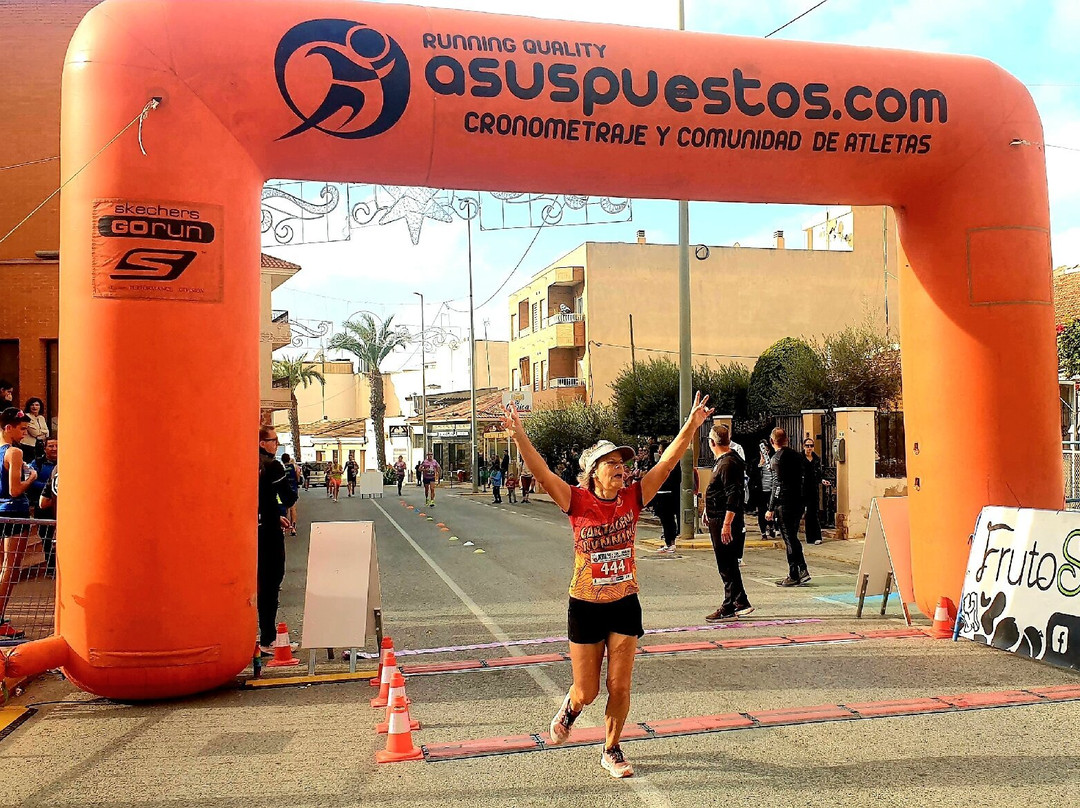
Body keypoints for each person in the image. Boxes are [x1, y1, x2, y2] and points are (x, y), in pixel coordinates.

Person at [501, 392, 713, 779]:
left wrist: (692, 426)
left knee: (620, 685)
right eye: (611, 463)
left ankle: (611, 748)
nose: (621, 469)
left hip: (624, 602)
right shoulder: (576, 500)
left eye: (623, 464)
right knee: (588, 691)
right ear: (593, 472)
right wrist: (519, 437)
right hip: (585, 605)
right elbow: (543, 472)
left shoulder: (633, 498)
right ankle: (572, 706)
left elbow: (666, 464)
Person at [703, 424, 753, 621]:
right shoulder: (725, 461)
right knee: (728, 562)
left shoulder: (728, 464)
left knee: (726, 563)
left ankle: (730, 604)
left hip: (724, 520)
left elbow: (733, 495)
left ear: (712, 442)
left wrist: (726, 524)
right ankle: (740, 601)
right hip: (718, 517)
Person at [258, 425, 298, 654]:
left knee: (259, 583)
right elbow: (289, 497)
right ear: (263, 443)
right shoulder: (273, 466)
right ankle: (268, 638)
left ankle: (262, 634)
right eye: (273, 440)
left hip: (253, 528)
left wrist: (275, 515)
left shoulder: (248, 465)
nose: (276, 443)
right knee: (272, 581)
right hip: (268, 533)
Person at [0, 408, 37, 639]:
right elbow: (14, 490)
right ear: (8, 427)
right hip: (15, 511)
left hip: (2, 512)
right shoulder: (14, 452)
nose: (25, 434)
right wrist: (31, 478)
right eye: (21, 429)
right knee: (10, 570)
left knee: (4, 568)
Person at [766, 427, 810, 587]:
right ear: (787, 440)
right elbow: (803, 479)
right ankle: (802, 569)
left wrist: (770, 507)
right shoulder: (797, 456)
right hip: (798, 501)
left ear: (772, 442)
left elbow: (776, 484)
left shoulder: (777, 459)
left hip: (785, 502)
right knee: (793, 536)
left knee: (789, 538)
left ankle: (794, 573)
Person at [30, 437, 58, 571]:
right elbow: (30, 480)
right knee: (46, 537)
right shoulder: (37, 463)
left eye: (56, 446)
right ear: (45, 448)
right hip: (43, 506)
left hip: (61, 507)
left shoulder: (68, 461)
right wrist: (51, 488)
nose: (54, 449)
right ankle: (51, 566)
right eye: (51, 446)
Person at [651, 440, 680, 555]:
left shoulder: (671, 463)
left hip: (668, 495)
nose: (658, 452)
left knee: (668, 520)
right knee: (664, 520)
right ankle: (668, 542)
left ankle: (671, 543)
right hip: (661, 495)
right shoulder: (662, 462)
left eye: (660, 449)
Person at [801, 438, 830, 545]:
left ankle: (816, 536)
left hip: (813, 488)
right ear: (803, 446)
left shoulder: (816, 459)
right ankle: (805, 537)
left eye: (811, 446)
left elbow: (818, 474)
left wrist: (822, 480)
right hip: (802, 488)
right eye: (807, 446)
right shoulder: (800, 458)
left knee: (813, 512)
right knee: (800, 513)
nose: (809, 448)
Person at [757, 439, 778, 539]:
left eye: (767, 450)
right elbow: (752, 475)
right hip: (761, 490)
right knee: (762, 511)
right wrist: (760, 464)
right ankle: (763, 532)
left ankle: (771, 527)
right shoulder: (756, 462)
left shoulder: (774, 460)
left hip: (771, 490)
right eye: (763, 450)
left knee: (771, 509)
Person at [280, 453, 301, 536]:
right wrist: (297, 481)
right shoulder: (294, 467)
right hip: (293, 488)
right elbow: (298, 476)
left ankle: (284, 527)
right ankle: (293, 527)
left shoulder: (281, 468)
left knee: (285, 508)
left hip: (284, 489)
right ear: (289, 459)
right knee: (293, 508)